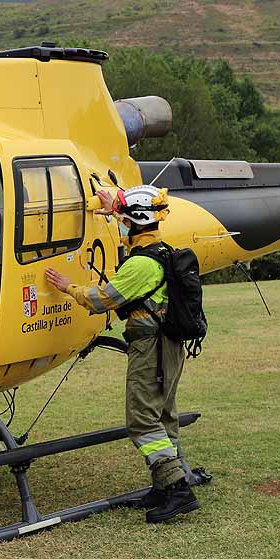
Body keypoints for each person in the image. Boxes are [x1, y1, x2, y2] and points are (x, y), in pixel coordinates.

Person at [44, 184, 199, 523]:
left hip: (151, 347)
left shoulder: (141, 265)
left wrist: (67, 287)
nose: (121, 224)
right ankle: (164, 485)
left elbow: (102, 300)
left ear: (135, 221)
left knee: (142, 420)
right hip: (167, 346)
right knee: (163, 416)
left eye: (124, 219)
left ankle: (177, 489)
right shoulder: (161, 251)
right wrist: (113, 205)